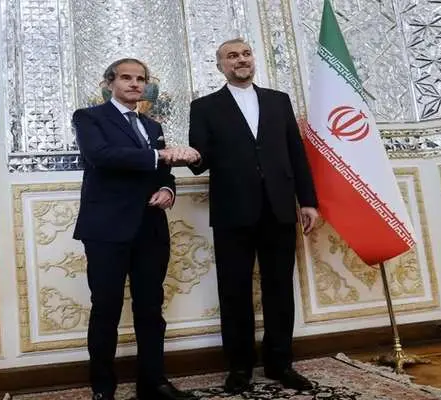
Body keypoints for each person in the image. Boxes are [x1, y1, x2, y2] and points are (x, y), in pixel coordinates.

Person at [188, 38, 319, 393]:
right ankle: (239, 367)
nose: (241, 60)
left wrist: (307, 201)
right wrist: (189, 155)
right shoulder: (204, 107)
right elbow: (200, 162)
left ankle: (280, 363)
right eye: (232, 56)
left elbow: (296, 152)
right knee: (234, 291)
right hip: (232, 211)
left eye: (246, 54)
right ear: (220, 66)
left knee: (280, 289)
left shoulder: (279, 100)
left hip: (279, 208)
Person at [73, 58, 200, 400]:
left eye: (140, 79)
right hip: (106, 230)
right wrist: (160, 156)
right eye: (126, 78)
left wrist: (168, 189)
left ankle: (153, 383)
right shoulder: (88, 118)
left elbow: (162, 173)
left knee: (151, 310)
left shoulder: (152, 125)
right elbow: (101, 156)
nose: (134, 84)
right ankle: (103, 388)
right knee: (106, 310)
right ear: (109, 83)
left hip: (150, 228)